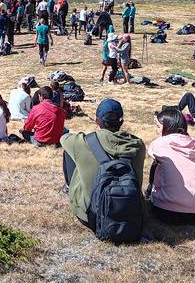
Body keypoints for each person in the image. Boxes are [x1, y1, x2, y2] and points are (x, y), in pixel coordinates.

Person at [61, 98, 146, 231]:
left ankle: (68, 188)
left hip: (91, 216)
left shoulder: (83, 143)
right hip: (132, 212)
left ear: (96, 121)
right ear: (121, 122)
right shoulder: (138, 145)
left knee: (70, 153)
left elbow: (64, 139)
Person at [144, 108, 195, 225]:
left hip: (166, 212)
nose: (157, 131)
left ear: (167, 128)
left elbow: (153, 158)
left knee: (157, 164)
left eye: (158, 127)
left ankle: (151, 192)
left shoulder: (159, 144)